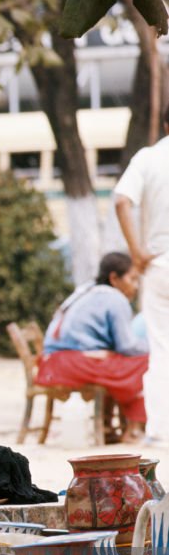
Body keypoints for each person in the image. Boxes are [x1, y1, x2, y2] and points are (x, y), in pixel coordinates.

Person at [35, 251, 149, 444]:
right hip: (73, 364)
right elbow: (127, 346)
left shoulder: (86, 289)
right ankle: (135, 428)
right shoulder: (115, 298)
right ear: (114, 278)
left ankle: (107, 425)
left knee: (114, 362)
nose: (136, 286)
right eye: (132, 279)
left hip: (52, 363)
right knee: (144, 363)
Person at [114, 107, 169, 444]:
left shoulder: (149, 158)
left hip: (160, 265)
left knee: (162, 348)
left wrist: (136, 252)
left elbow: (122, 201)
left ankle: (161, 428)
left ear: (165, 124)